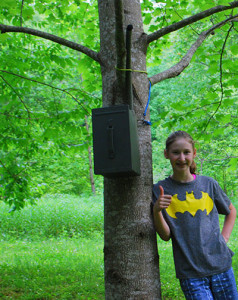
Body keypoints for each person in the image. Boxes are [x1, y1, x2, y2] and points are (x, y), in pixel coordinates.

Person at [152, 130, 238, 300]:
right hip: (190, 272)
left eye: (186, 152)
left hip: (221, 264)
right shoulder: (160, 190)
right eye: (176, 152)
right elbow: (166, 235)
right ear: (166, 154)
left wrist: (224, 238)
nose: (181, 158)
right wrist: (157, 211)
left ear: (194, 154)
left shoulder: (208, 184)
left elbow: (231, 211)